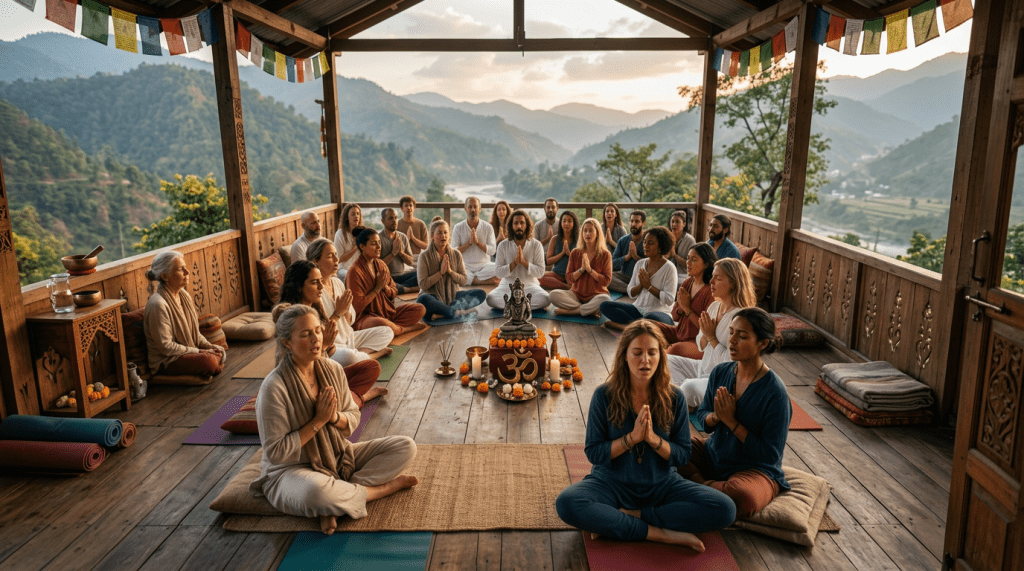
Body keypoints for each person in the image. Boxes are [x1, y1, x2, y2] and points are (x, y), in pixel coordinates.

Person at [554, 321, 735, 547]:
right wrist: (631, 439)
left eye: (652, 353)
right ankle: (658, 533)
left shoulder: (675, 397)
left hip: (662, 485)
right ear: (624, 355)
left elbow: (681, 456)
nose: (645, 360)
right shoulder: (604, 395)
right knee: (567, 503)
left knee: (725, 508)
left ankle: (626, 518)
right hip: (612, 484)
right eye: (637, 353)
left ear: (661, 356)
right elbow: (594, 453)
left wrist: (652, 439)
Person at [252, 304, 418, 536]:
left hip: (337, 454)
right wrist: (318, 422)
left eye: (317, 331)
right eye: (306, 334)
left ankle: (336, 501)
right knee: (317, 493)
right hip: (291, 470)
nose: (316, 339)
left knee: (405, 447)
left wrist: (334, 417)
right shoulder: (274, 387)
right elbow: (276, 453)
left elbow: (352, 418)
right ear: (287, 343)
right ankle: (381, 489)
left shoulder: (332, 369)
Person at [682, 308, 790, 519]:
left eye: (742, 336)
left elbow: (770, 455)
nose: (731, 341)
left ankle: (693, 486)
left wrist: (732, 423)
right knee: (667, 449)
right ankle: (707, 489)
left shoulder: (775, 393)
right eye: (731, 332)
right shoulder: (721, 372)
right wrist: (716, 417)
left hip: (753, 470)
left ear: (762, 343)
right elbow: (703, 416)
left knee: (743, 497)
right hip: (714, 454)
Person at [278, 260, 389, 409]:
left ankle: (349, 398)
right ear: (298, 286)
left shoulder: (316, 307)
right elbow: (303, 364)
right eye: (314, 282)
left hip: (325, 368)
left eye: (320, 281)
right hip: (303, 380)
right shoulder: (290, 317)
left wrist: (328, 344)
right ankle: (359, 398)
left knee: (372, 367)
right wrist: (336, 315)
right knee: (329, 401)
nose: (321, 287)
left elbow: (329, 350)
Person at [667, 258, 757, 408]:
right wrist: (705, 334)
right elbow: (701, 345)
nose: (711, 282)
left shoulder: (742, 318)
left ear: (733, 283)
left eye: (718, 278)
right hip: (702, 368)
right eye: (712, 277)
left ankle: (685, 398)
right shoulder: (715, 306)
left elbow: (731, 363)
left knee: (688, 387)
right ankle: (686, 399)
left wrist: (711, 336)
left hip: (723, 379)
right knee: (665, 360)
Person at [307, 239, 395, 364]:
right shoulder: (314, 292)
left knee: (387, 332)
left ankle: (360, 355)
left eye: (336, 255)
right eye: (330, 256)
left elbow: (349, 321)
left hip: (350, 338)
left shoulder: (337, 282)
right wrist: (338, 312)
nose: (336, 260)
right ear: (316, 261)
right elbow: (318, 334)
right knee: (350, 357)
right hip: (331, 346)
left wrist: (346, 311)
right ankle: (374, 354)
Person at [143, 251, 225, 379]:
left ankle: (212, 364)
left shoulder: (183, 295)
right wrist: (199, 351)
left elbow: (195, 334)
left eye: (185, 268)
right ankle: (212, 366)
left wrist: (209, 346)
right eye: (181, 269)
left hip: (185, 352)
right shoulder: (158, 305)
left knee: (218, 352)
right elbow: (166, 347)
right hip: (167, 361)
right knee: (209, 361)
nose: (187, 272)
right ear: (165, 276)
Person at [347, 228, 428, 336]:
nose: (378, 247)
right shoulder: (354, 271)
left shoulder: (381, 265)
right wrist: (377, 288)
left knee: (420, 309)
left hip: (387, 313)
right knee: (380, 323)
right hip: (366, 317)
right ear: (362, 246)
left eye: (379, 243)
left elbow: (394, 291)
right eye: (373, 244)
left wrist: (385, 287)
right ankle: (403, 329)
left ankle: (392, 327)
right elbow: (357, 307)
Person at [600, 227, 677, 329]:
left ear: (661, 246)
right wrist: (641, 285)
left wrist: (649, 286)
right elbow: (631, 292)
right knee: (604, 306)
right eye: (644, 242)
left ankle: (627, 327)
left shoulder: (669, 268)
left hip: (660, 313)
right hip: (638, 309)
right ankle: (638, 327)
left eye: (650, 243)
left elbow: (669, 300)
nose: (645, 246)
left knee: (652, 318)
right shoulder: (640, 263)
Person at [416, 218, 487, 323]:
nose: (443, 236)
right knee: (423, 299)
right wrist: (440, 273)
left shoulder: (456, 254)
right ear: (432, 236)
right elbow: (423, 285)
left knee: (480, 294)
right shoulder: (424, 256)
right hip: (433, 296)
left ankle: (443, 312)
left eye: (445, 233)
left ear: (449, 235)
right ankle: (456, 312)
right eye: (439, 233)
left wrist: (450, 271)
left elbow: (463, 280)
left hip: (453, 296)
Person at [654, 244, 717, 359]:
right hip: (678, 333)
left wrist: (688, 309)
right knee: (646, 326)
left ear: (706, 264)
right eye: (688, 258)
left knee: (674, 350)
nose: (688, 263)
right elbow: (674, 317)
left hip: (697, 343)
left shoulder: (710, 291)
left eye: (694, 259)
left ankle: (667, 350)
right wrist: (681, 308)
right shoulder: (687, 283)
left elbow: (706, 330)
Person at [486, 209, 550, 310]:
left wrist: (524, 263)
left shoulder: (536, 245)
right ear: (511, 226)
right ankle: (523, 307)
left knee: (546, 299)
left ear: (527, 225)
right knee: (490, 299)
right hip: (507, 286)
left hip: (530, 286)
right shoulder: (503, 245)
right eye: (516, 223)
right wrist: (514, 264)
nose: (519, 226)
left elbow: (540, 272)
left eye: (522, 223)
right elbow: (498, 273)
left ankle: (512, 306)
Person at [550, 217, 612, 317]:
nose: (587, 234)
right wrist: (582, 269)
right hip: (576, 296)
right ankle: (589, 310)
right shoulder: (575, 252)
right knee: (553, 295)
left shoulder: (605, 254)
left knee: (606, 300)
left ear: (597, 233)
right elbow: (569, 279)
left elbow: (606, 281)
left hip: (596, 296)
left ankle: (572, 311)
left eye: (591, 230)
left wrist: (590, 270)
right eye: (585, 231)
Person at [451, 197, 499, 285]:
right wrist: (468, 243)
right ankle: (480, 281)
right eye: (470, 207)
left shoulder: (488, 227)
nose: (473, 209)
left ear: (479, 209)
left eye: (475, 207)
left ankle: (470, 280)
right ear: (465, 209)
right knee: (452, 270)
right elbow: (453, 253)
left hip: (484, 266)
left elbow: (492, 251)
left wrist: (477, 243)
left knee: (500, 268)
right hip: (465, 266)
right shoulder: (458, 227)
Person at [379, 208, 418, 295]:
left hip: (402, 276)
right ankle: (408, 289)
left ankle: (399, 288)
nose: (394, 221)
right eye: (390, 218)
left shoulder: (402, 237)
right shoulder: (378, 239)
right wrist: (393, 254)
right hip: (387, 277)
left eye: (396, 218)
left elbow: (410, 261)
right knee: (382, 284)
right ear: (383, 221)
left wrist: (401, 253)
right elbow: (378, 266)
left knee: (421, 274)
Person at [539, 210, 579, 291]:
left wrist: (569, 254)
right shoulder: (555, 239)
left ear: (574, 223)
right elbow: (548, 261)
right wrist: (562, 253)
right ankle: (566, 286)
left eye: (569, 221)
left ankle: (562, 284)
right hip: (557, 274)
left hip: (573, 275)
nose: (566, 224)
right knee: (535, 278)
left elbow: (582, 261)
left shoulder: (579, 240)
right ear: (560, 223)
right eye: (564, 221)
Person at [610, 210, 647, 293]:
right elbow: (612, 264)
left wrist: (637, 258)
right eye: (631, 221)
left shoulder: (647, 241)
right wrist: (626, 257)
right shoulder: (622, 240)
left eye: (637, 221)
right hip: (624, 276)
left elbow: (653, 264)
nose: (633, 224)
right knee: (607, 277)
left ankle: (633, 290)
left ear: (643, 223)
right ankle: (631, 290)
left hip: (640, 278)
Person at [333, 203, 363, 280]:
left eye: (358, 214)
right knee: (353, 275)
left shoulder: (362, 232)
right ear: (346, 217)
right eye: (353, 214)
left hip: (359, 268)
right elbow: (339, 259)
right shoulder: (340, 234)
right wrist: (355, 248)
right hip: (344, 270)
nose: (356, 216)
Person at [668, 210, 696, 283]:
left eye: (677, 222)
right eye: (672, 221)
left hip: (683, 275)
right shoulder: (667, 237)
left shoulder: (690, 240)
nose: (674, 224)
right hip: (668, 272)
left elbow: (691, 265)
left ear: (684, 224)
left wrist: (674, 255)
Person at [397, 195, 428, 259]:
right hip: (401, 258)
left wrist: (413, 238)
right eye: (406, 206)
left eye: (411, 205)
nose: (409, 208)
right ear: (401, 208)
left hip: (417, 258)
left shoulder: (421, 224)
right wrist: (407, 239)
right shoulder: (397, 224)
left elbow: (426, 246)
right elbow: (395, 247)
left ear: (414, 208)